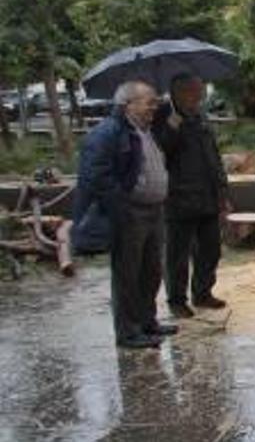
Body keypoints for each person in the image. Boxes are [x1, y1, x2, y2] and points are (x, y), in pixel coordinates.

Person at [73, 81, 176, 349]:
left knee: (151, 271)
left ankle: (147, 321)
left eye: (155, 102)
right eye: (148, 101)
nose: (154, 106)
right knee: (128, 274)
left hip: (153, 211)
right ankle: (128, 332)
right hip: (130, 213)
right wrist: (121, 204)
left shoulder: (144, 129)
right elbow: (95, 175)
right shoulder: (108, 132)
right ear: (127, 104)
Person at [155, 74, 231, 319]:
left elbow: (213, 155)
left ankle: (203, 292)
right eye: (196, 92)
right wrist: (173, 125)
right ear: (180, 92)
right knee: (177, 254)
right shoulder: (164, 115)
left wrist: (222, 190)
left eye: (201, 92)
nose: (200, 97)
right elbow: (160, 150)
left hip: (207, 195)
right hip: (178, 197)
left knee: (211, 249)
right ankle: (177, 300)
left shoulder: (200, 116)